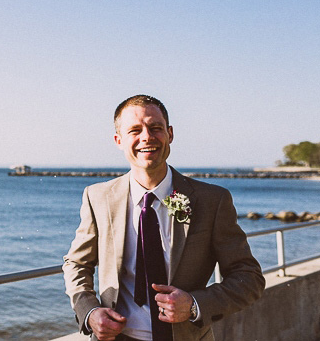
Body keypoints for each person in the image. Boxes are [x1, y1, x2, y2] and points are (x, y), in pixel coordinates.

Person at [63, 95, 264, 341]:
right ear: (118, 140)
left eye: (155, 127)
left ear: (170, 134)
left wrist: (193, 305)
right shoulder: (98, 197)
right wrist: (90, 312)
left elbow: (249, 278)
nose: (147, 136)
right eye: (135, 130)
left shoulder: (212, 200)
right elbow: (76, 264)